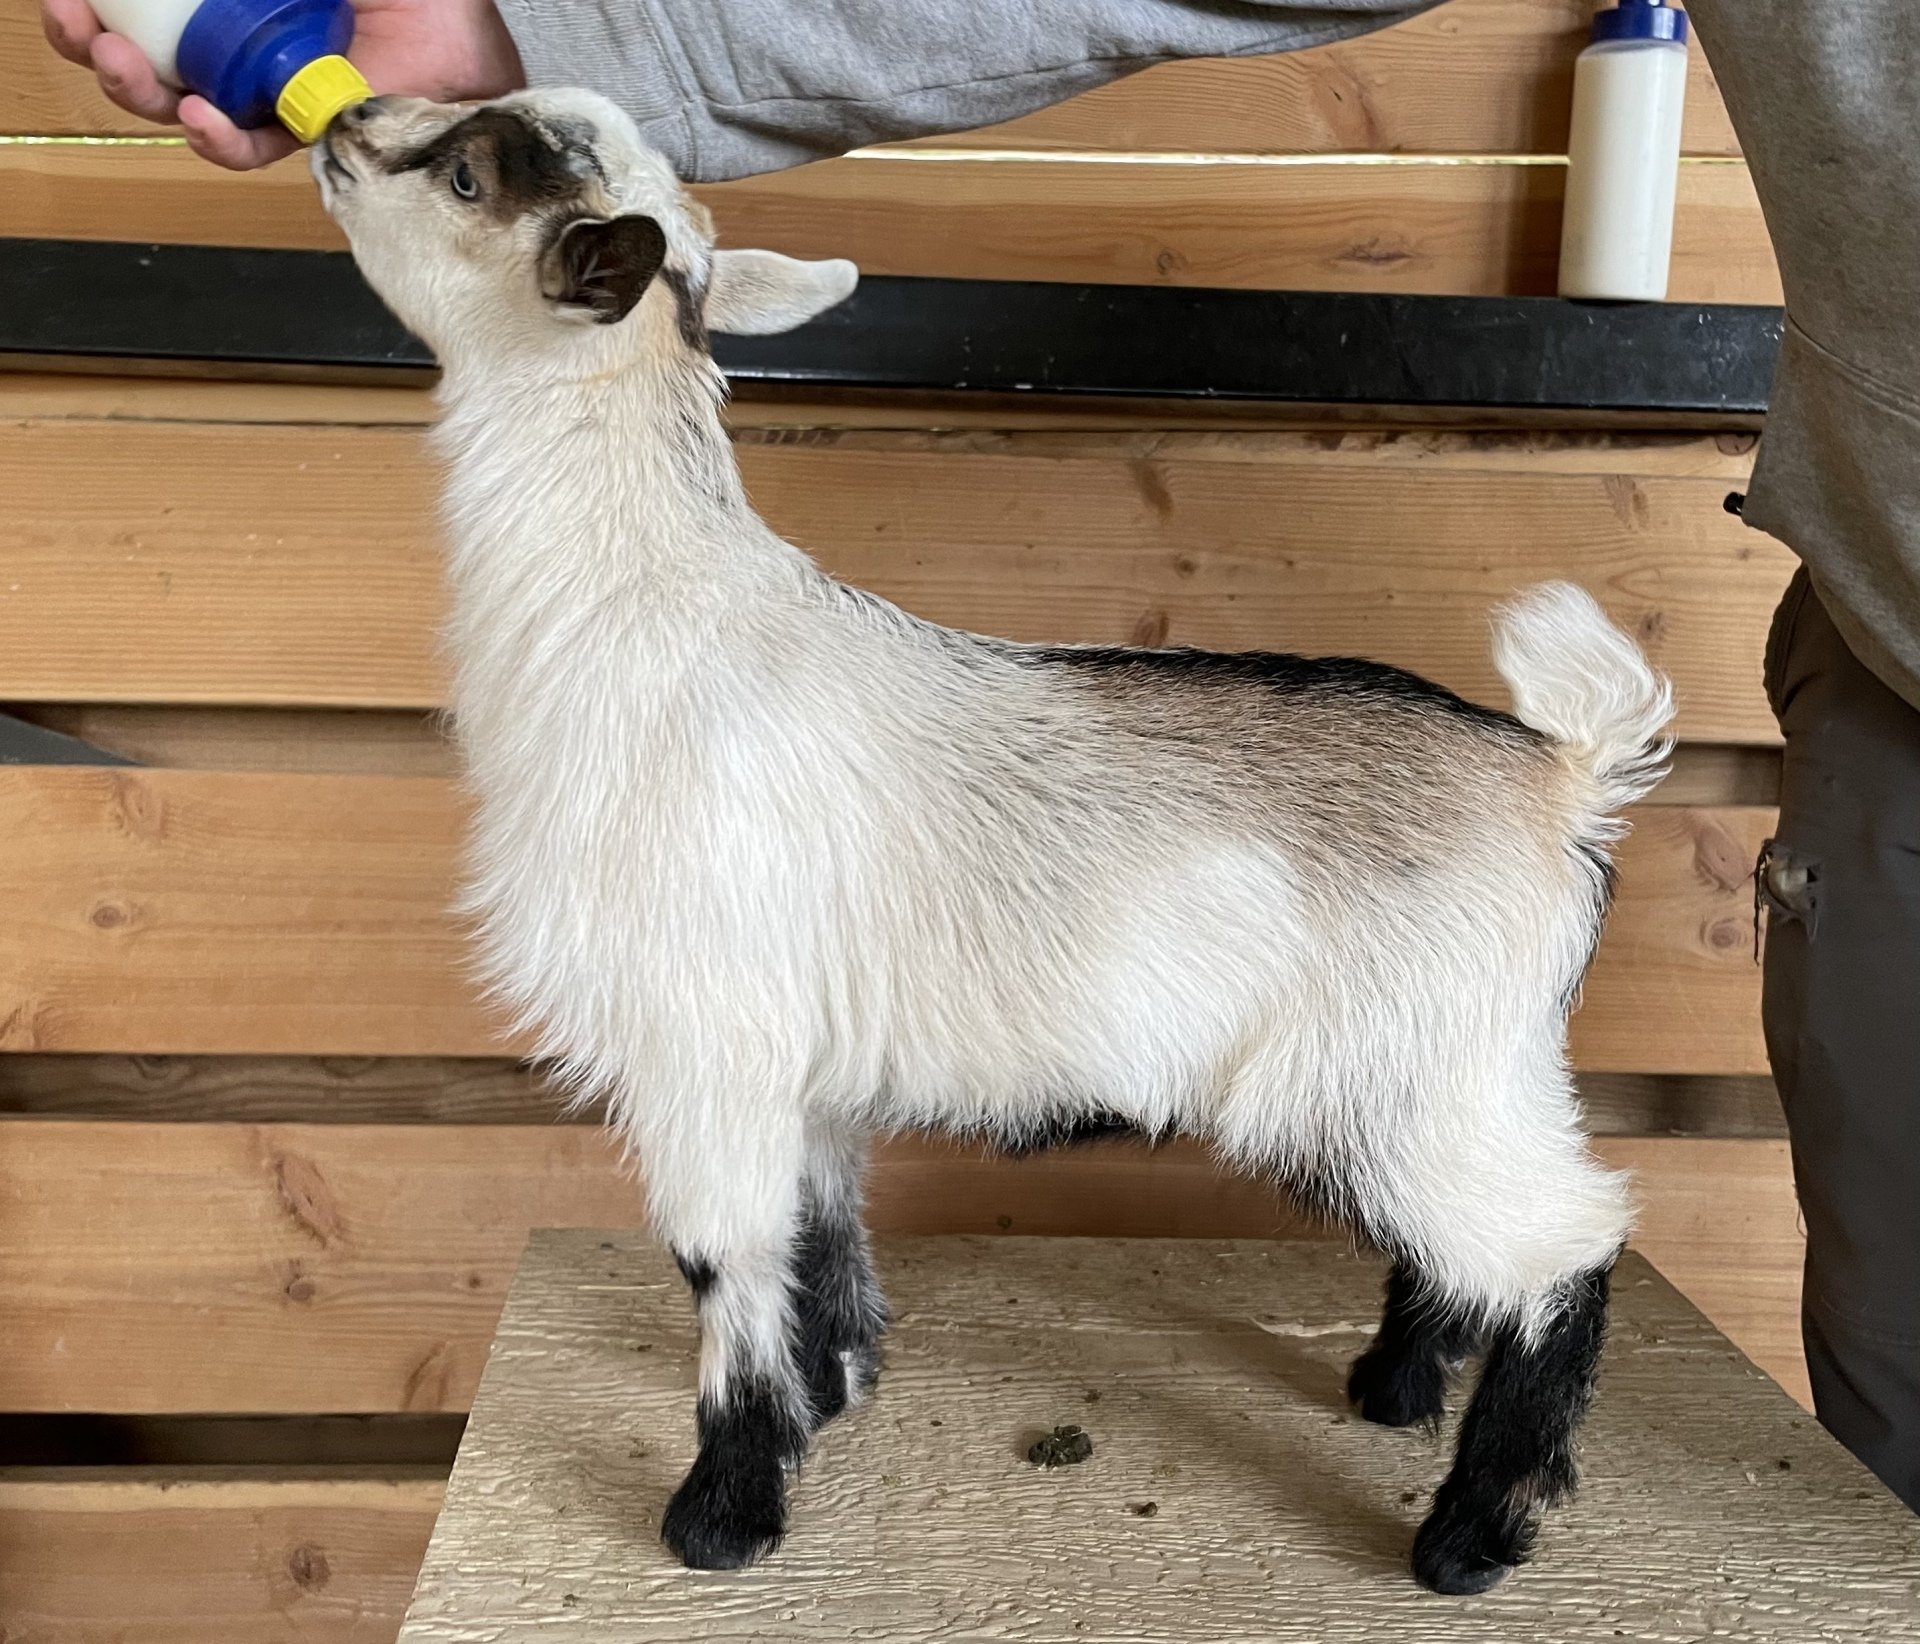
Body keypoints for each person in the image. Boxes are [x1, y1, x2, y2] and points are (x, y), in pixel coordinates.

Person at [41, 0, 1920, 1514]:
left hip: (1384, 829)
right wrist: (510, 19)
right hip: (1751, 684)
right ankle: (869, 1334)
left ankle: (1487, 1447)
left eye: (450, 172)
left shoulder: (674, 686)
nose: (354, 145)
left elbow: (723, 1074)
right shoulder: (658, 638)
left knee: (1433, 1143)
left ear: (599, 281)